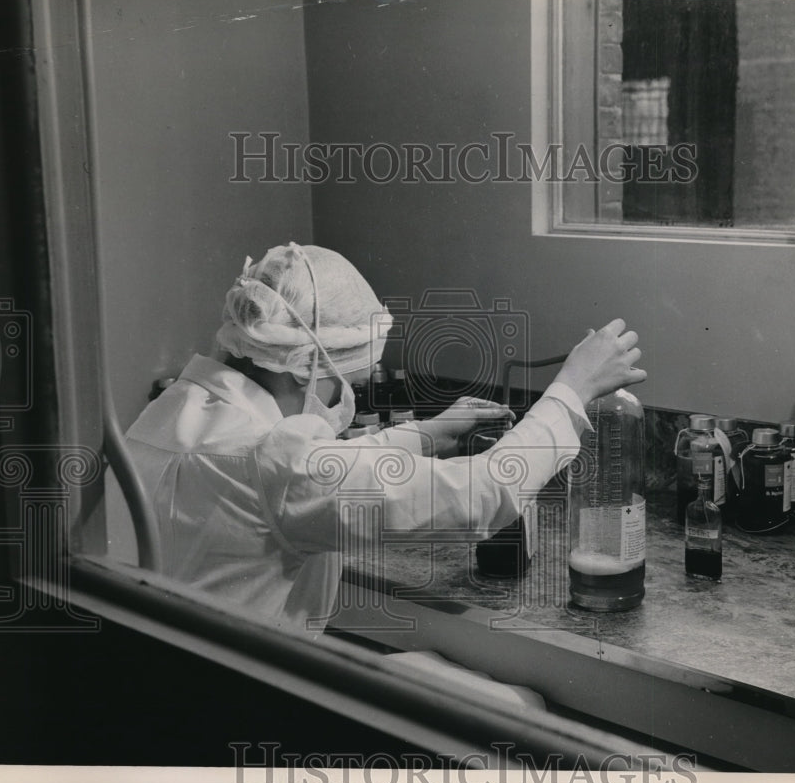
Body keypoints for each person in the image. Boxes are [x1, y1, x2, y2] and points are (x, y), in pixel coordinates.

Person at [125, 242, 646, 631]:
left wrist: (423, 436)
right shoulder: (275, 463)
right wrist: (573, 390)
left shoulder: (169, 413)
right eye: (345, 385)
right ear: (302, 366)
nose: (346, 401)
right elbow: (487, 494)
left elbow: (304, 468)